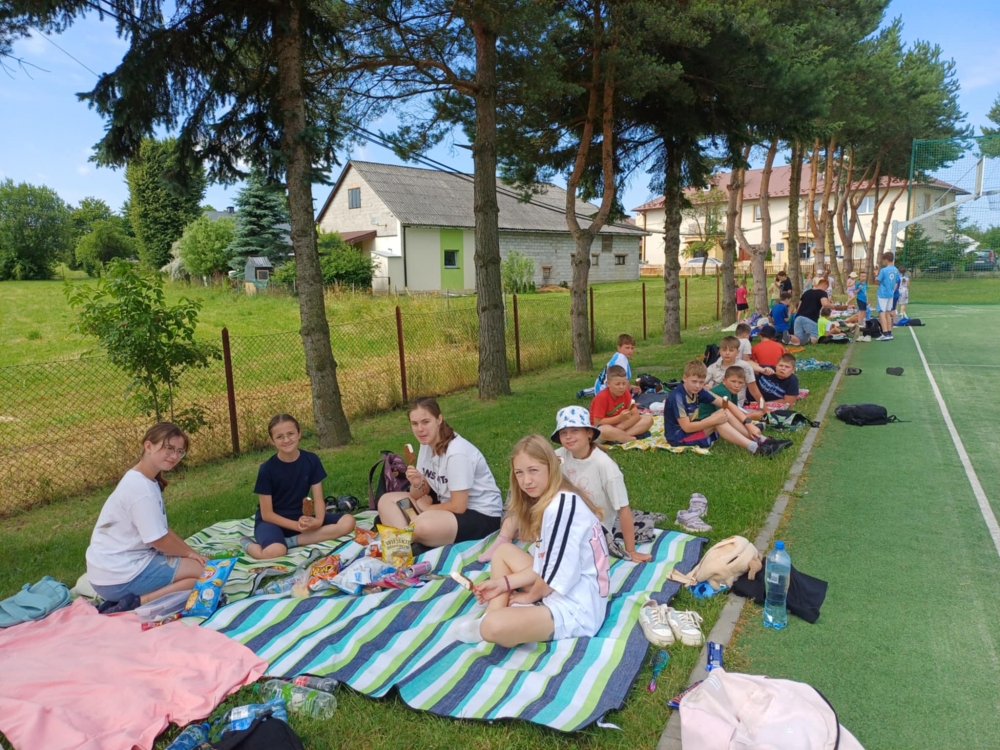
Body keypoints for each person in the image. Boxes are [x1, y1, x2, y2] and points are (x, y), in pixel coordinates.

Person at [454, 435, 611, 647]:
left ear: (550, 468)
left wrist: (528, 598)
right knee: (503, 551)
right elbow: (544, 565)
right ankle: (492, 612)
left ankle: (490, 623)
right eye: (519, 473)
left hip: (578, 609)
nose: (526, 480)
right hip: (561, 587)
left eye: (533, 470)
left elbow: (552, 578)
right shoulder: (553, 501)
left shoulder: (561, 508)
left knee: (494, 627)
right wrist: (502, 584)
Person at [480, 406, 653, 564]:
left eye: (575, 430)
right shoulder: (559, 456)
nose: (569, 436)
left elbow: (623, 509)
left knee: (543, 563)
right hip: (562, 520)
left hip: (591, 530)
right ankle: (505, 538)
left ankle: (528, 560)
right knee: (522, 483)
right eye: (564, 433)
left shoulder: (605, 466)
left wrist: (631, 550)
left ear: (589, 433)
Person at [86, 423, 208, 613]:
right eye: (168, 448)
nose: (174, 456)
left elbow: (162, 530)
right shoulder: (141, 488)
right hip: (118, 577)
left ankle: (133, 598)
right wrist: (190, 555)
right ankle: (135, 602)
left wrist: (190, 553)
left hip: (109, 571)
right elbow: (158, 540)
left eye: (180, 451)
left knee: (199, 569)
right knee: (207, 574)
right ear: (148, 446)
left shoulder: (143, 479)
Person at [378, 397, 503, 549]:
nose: (420, 429)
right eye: (414, 423)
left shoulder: (456, 453)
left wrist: (427, 509)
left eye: (425, 422)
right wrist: (417, 483)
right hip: (443, 507)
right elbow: (418, 494)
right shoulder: (426, 445)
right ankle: (407, 543)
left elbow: (458, 506)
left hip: (480, 515)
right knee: (386, 501)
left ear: (439, 419)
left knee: (422, 525)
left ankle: (400, 541)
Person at [242, 414, 355, 560]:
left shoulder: (311, 460)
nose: (286, 440)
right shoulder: (267, 469)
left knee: (348, 522)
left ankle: (291, 542)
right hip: (272, 522)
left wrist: (318, 521)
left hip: (300, 517)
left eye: (290, 434)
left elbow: (318, 499)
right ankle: (248, 544)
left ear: (299, 433)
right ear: (272, 440)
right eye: (280, 437)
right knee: (275, 551)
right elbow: (267, 514)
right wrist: (297, 526)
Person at [662, 360, 786, 456]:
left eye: (701, 382)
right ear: (684, 378)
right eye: (694, 381)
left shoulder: (699, 391)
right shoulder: (677, 397)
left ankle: (763, 441)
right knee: (719, 421)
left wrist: (748, 424)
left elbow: (728, 405)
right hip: (679, 437)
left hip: (694, 427)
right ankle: (757, 449)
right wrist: (712, 420)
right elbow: (687, 427)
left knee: (724, 411)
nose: (698, 386)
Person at [589, 365, 654, 443]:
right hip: (601, 429)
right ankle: (632, 438)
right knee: (604, 430)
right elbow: (597, 422)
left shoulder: (625, 393)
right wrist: (619, 418)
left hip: (619, 426)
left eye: (624, 383)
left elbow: (636, 415)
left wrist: (622, 426)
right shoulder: (601, 398)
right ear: (608, 383)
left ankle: (619, 438)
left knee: (648, 419)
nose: (621, 387)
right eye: (617, 384)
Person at [705, 336, 769, 407]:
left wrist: (764, 409)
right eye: (724, 350)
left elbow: (754, 391)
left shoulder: (745, 367)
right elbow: (700, 382)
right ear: (719, 351)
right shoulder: (713, 367)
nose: (727, 353)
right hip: (716, 403)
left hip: (737, 404)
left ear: (737, 352)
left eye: (731, 350)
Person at [699, 365, 765, 423]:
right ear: (724, 381)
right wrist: (749, 417)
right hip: (705, 420)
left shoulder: (733, 391)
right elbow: (726, 415)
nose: (737, 385)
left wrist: (748, 416)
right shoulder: (723, 392)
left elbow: (735, 411)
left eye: (740, 382)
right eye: (733, 381)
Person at [793, 277, 830, 345]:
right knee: (814, 339)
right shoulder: (822, 293)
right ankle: (809, 339)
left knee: (798, 339)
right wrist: (831, 304)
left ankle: (790, 338)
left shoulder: (806, 292)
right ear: (825, 285)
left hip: (798, 317)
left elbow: (798, 308)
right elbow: (825, 304)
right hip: (810, 318)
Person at [875, 252, 899, 341]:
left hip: (883, 294)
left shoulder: (883, 270)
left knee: (882, 313)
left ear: (886, 260)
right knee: (888, 313)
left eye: (883, 260)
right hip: (890, 294)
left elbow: (877, 281)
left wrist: (876, 274)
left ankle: (885, 333)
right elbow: (896, 281)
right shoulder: (896, 269)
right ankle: (889, 333)